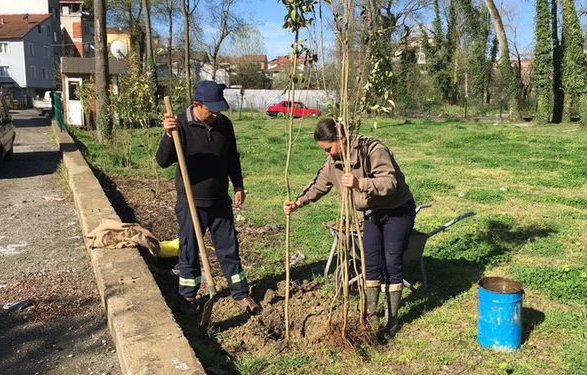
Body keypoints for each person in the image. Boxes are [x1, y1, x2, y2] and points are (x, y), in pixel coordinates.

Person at [283, 118, 415, 340]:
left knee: (392, 262)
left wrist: (359, 183)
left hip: (397, 209)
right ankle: (372, 316)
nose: (327, 154)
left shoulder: (372, 149)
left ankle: (392, 320)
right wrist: (297, 203)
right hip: (372, 213)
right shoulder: (334, 161)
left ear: (342, 139)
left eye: (329, 148)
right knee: (371, 263)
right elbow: (318, 184)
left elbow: (389, 182)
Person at [156, 80, 260, 316]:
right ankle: (188, 296)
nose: (216, 115)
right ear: (196, 105)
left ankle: (241, 293)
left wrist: (239, 185)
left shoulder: (225, 125)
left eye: (219, 110)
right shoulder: (180, 125)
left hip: (220, 201)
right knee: (189, 250)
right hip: (191, 201)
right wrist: (168, 135)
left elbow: (233, 157)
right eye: (211, 110)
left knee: (229, 248)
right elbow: (162, 161)